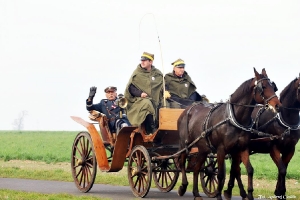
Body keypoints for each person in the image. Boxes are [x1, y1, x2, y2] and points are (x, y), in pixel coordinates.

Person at [124, 52, 164, 135]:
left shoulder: (158, 74)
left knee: (165, 104)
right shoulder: (137, 73)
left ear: (151, 62)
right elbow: (130, 88)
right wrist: (140, 93)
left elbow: (162, 86)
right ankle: (151, 129)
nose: (142, 62)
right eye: (142, 60)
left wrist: (165, 91)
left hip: (156, 100)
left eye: (145, 60)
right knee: (147, 103)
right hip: (138, 101)